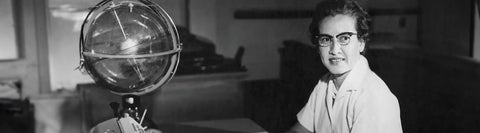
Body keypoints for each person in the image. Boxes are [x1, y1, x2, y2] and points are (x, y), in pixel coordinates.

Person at [288, 0, 402, 133]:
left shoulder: (374, 98)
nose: (335, 50)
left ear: (361, 42)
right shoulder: (324, 83)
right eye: (326, 39)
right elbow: (301, 129)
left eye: (344, 38)